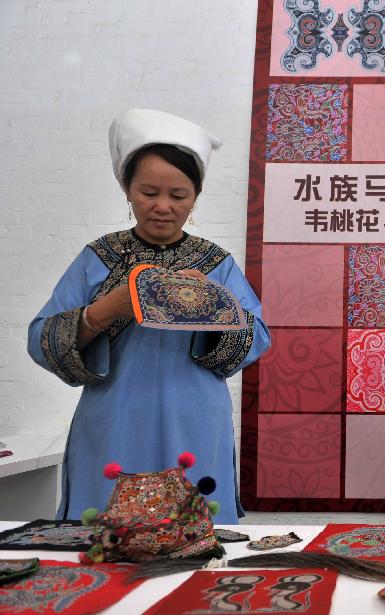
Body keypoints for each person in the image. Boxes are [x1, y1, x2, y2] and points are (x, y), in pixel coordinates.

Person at [27, 108, 271, 524]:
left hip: (194, 418)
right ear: (126, 189)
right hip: (115, 418)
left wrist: (209, 305)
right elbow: (41, 340)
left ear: (196, 196)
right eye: (148, 192)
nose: (163, 207)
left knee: (195, 541)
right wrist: (108, 308)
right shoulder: (97, 258)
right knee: (107, 537)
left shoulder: (215, 264)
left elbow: (257, 338)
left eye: (178, 196)